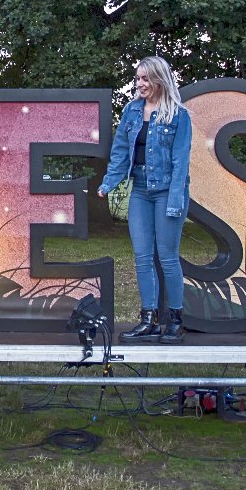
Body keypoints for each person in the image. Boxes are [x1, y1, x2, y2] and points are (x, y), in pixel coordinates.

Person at [97, 56, 193, 344]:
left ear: (159, 80)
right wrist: (108, 183)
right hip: (140, 190)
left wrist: (176, 201)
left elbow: (180, 161)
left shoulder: (178, 115)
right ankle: (148, 320)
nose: (139, 84)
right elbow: (121, 151)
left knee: (167, 257)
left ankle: (175, 321)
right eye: (137, 79)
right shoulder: (132, 111)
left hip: (167, 191)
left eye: (145, 79)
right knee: (142, 257)